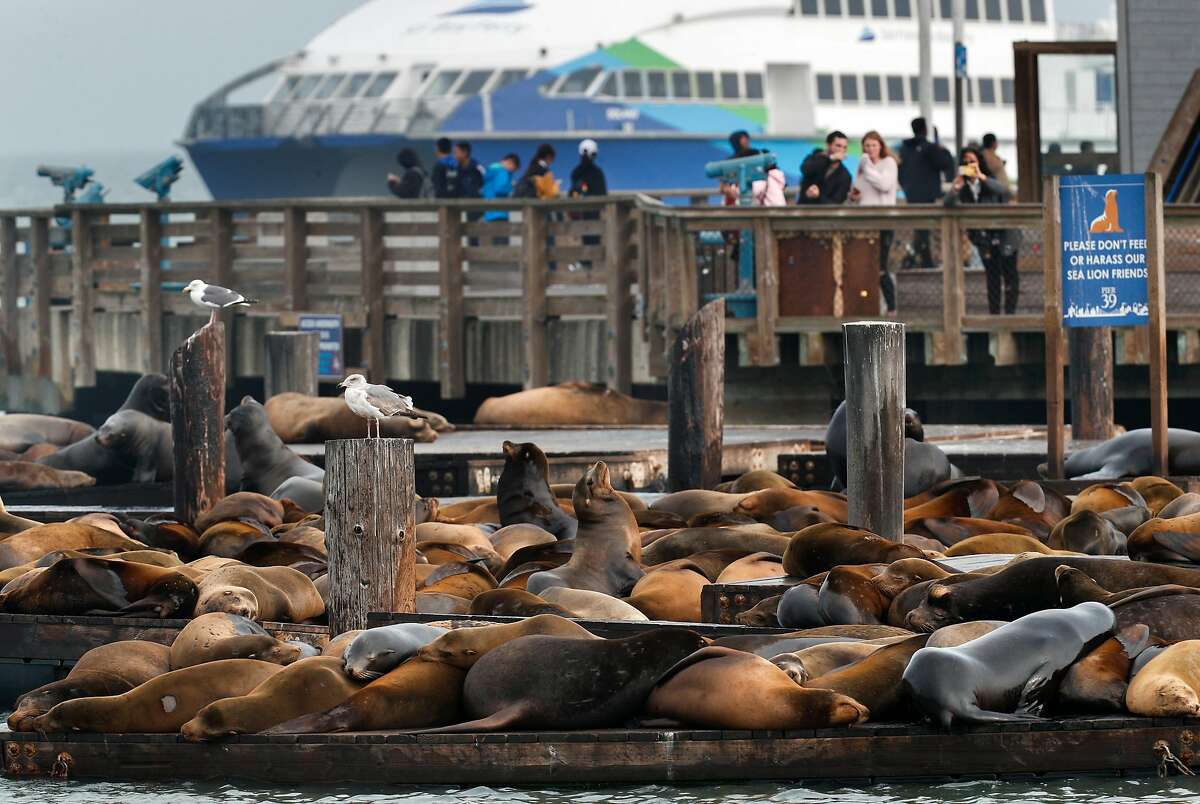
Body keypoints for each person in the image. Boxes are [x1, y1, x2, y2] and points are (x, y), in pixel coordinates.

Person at [944, 147, 1019, 315]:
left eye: (972, 161)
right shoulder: (963, 188)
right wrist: (956, 186)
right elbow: (947, 204)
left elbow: (1004, 191)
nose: (969, 165)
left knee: (1009, 276)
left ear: (979, 163)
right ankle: (994, 314)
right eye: (965, 162)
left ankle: (1010, 313)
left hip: (1005, 235)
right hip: (984, 239)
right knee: (992, 277)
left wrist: (981, 177)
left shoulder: (988, 181)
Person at [850, 131, 900, 314]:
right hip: (864, 221)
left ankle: (892, 307)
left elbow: (884, 185)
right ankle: (868, 305)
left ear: (880, 146)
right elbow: (859, 189)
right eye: (867, 146)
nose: (870, 149)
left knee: (881, 266)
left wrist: (867, 166)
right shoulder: (863, 167)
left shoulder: (889, 164)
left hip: (883, 220)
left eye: (873, 145)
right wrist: (853, 195)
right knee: (865, 264)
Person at [898, 118, 955, 268]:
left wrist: (906, 187)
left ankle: (918, 257)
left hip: (911, 193)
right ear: (925, 129)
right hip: (927, 194)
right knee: (925, 227)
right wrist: (944, 150)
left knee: (920, 227)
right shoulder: (929, 148)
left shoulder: (904, 149)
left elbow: (900, 171)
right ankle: (924, 260)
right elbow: (945, 163)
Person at [799, 131, 852, 205]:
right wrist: (830, 159)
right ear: (828, 145)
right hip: (803, 211)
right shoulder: (814, 158)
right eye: (838, 146)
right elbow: (805, 169)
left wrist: (818, 196)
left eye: (844, 147)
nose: (841, 150)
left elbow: (836, 203)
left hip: (825, 215)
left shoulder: (845, 176)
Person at [481, 153, 520, 222]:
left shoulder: (491, 171)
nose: (512, 171)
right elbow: (500, 189)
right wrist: (511, 187)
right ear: (510, 162)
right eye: (514, 169)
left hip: (488, 212)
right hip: (500, 212)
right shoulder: (503, 172)